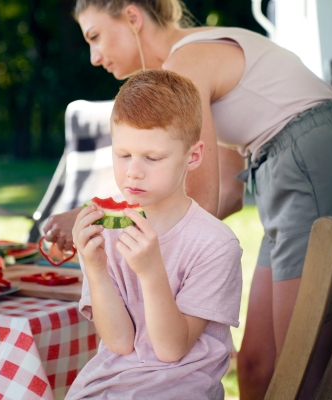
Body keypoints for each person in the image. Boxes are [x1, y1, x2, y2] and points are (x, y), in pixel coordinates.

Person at [44, 1, 332, 398]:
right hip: (287, 166)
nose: (94, 57)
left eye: (95, 36)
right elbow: (226, 193)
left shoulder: (184, 66)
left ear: (131, 17)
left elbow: (194, 201)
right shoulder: (189, 74)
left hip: (308, 161)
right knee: (256, 363)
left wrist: (97, 217)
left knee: (297, 367)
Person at [67, 69, 242, 399]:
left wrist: (150, 272)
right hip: (109, 386)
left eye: (152, 157)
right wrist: (95, 268)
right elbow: (118, 342)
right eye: (123, 154)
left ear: (193, 156)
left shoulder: (216, 245)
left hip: (180, 390)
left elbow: (171, 349)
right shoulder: (104, 234)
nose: (134, 170)